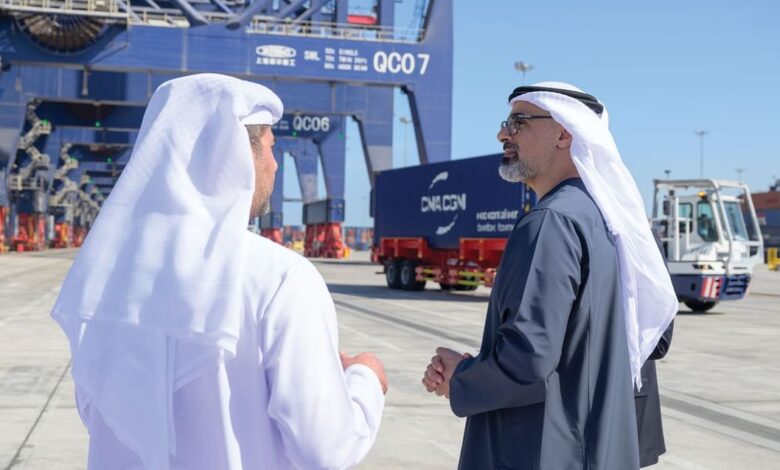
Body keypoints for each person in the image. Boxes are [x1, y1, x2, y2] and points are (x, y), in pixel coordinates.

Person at [51, 74, 387, 470]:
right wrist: (366, 380)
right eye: (270, 148)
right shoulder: (282, 278)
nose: (276, 165)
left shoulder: (107, 278)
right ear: (238, 156)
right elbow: (325, 449)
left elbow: (101, 412)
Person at [422, 82, 678, 469]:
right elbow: (651, 341)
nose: (502, 134)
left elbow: (529, 358)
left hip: (542, 449)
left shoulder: (551, 222)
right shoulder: (622, 223)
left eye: (518, 122)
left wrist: (461, 377)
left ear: (564, 134)